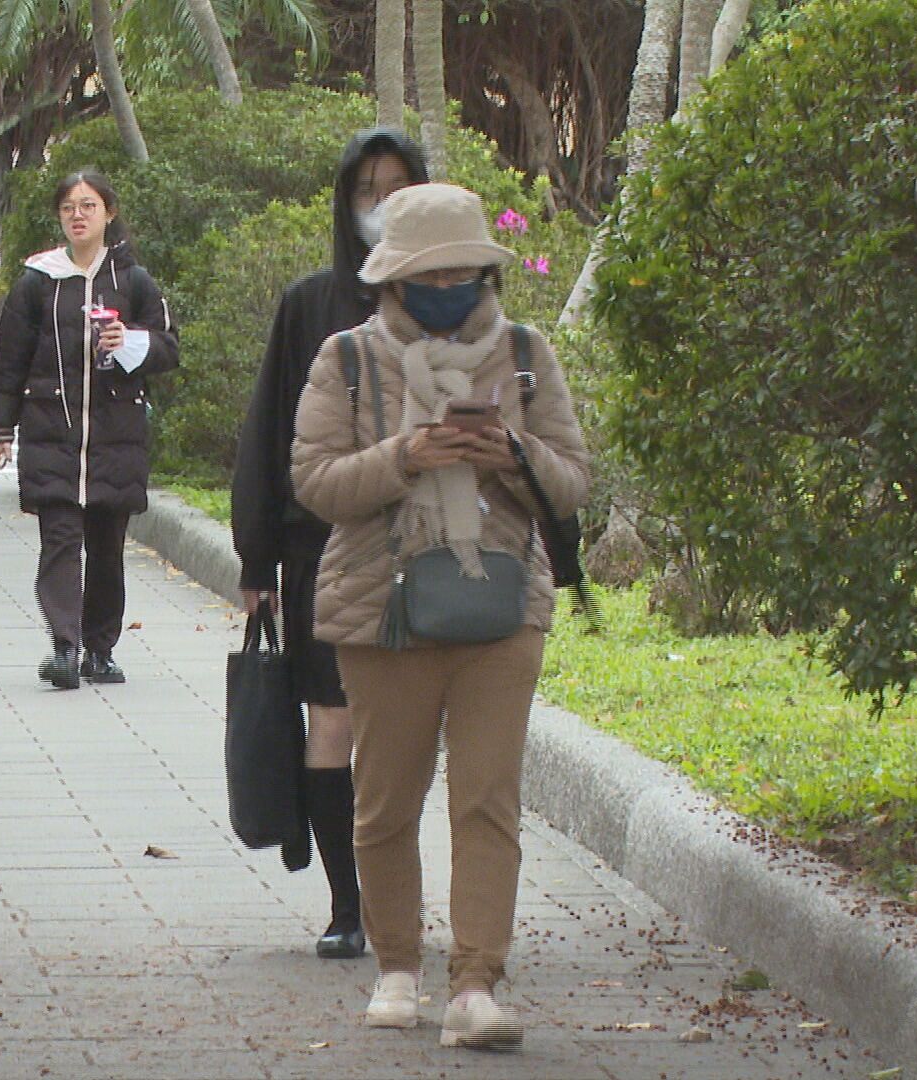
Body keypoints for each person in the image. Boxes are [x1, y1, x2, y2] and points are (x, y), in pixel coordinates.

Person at [290, 183, 591, 1051]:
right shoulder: (346, 359)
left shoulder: (526, 356)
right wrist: (405, 456)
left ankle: (474, 986)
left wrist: (511, 454)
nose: (449, 290)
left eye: (465, 274)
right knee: (386, 801)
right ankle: (395, 968)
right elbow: (314, 481)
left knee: (487, 799)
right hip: (381, 609)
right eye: (430, 277)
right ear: (393, 282)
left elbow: (571, 480)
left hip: (502, 608)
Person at [231, 129, 429, 962]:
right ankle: (351, 907)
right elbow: (269, 432)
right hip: (323, 556)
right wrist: (256, 561)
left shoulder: (449, 297)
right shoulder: (311, 304)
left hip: (427, 554)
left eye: (399, 189)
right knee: (334, 726)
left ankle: (391, 891)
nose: (381, 205)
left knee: (404, 742)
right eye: (367, 190)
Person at [0, 171, 178, 690]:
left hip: (116, 436)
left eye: (88, 205)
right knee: (60, 541)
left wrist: (130, 340)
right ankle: (64, 646)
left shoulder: (133, 280)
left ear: (108, 213)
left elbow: (168, 348)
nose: (78, 215)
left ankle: (100, 647)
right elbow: (10, 359)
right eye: (69, 206)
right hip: (52, 431)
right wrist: (3, 429)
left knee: (107, 548)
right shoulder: (36, 282)